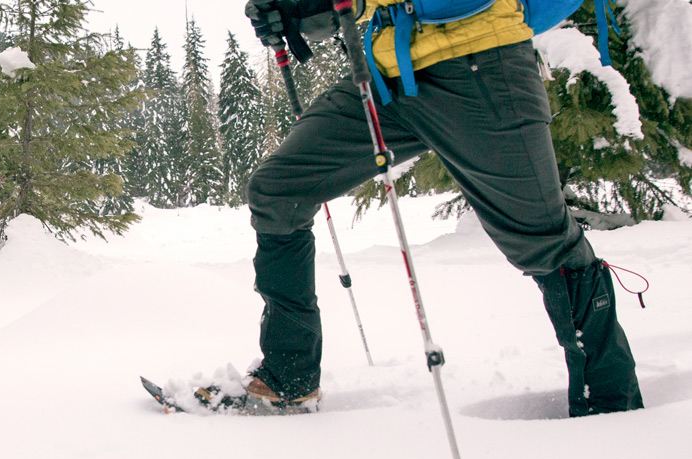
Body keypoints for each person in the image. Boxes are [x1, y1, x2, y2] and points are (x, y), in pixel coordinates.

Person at [241, 0, 644, 416]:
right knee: (278, 190)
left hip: (482, 65)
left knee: (544, 242)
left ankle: (612, 404)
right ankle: (288, 379)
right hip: (387, 78)